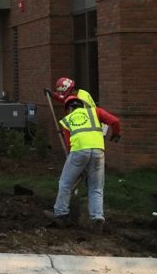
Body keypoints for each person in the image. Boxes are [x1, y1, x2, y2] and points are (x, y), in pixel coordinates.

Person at [50, 96, 121, 229]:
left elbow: (69, 144)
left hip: (78, 152)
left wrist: (79, 166)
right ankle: (97, 217)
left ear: (69, 108)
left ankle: (60, 213)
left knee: (65, 183)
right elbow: (115, 121)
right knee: (96, 188)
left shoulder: (68, 119)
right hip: (98, 152)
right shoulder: (95, 111)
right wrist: (116, 133)